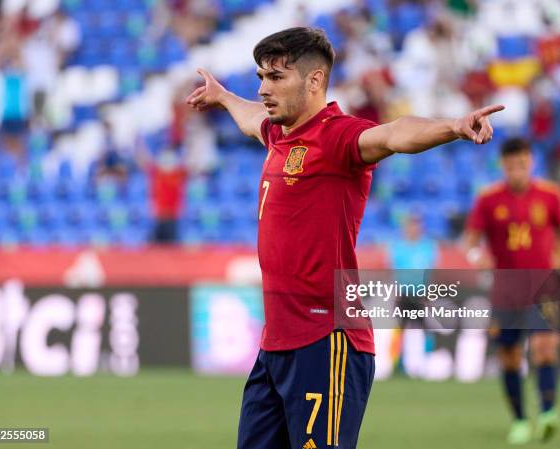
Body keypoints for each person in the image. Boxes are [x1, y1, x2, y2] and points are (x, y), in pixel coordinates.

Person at [187, 27, 503, 449]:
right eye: (261, 77)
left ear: (315, 80)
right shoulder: (279, 134)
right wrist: (224, 97)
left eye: (276, 78)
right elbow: (251, 121)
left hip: (327, 340)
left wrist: (452, 126)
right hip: (276, 345)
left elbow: (393, 134)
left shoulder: (336, 136)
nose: (263, 88)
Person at [464, 137, 560, 445]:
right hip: (506, 291)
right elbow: (471, 241)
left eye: (523, 164)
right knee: (510, 356)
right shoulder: (488, 200)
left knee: (544, 348)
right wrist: (478, 257)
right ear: (503, 165)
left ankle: (548, 413)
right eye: (512, 165)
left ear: (532, 162)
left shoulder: (550, 196)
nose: (518, 171)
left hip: (542, 288)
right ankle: (520, 420)